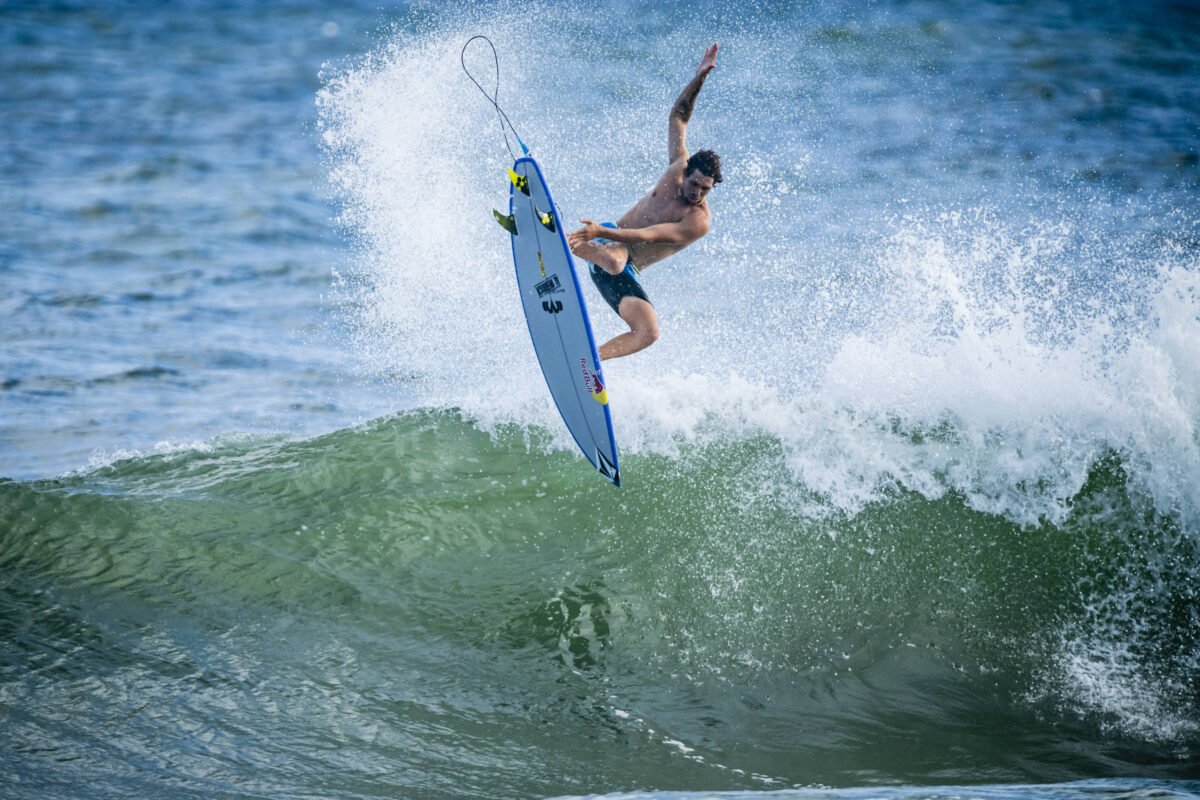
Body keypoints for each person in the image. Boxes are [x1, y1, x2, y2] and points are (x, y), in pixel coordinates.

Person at [567, 43, 723, 361]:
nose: (697, 194)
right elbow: (679, 115)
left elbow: (647, 236)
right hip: (606, 247)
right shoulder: (677, 165)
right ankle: (565, 243)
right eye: (694, 184)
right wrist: (699, 79)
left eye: (706, 190)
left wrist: (604, 235)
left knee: (649, 332)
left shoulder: (697, 222)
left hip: (625, 267)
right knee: (613, 260)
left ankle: (589, 362)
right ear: (686, 171)